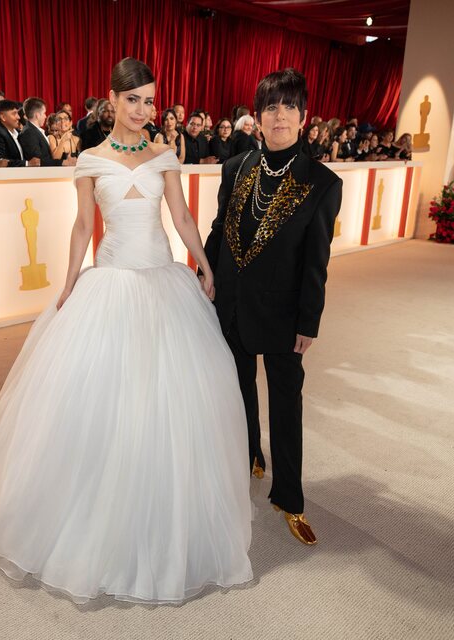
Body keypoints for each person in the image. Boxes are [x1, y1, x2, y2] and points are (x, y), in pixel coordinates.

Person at [0, 57, 253, 604]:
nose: (143, 110)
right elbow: (84, 225)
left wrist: (202, 263)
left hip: (162, 280)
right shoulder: (88, 159)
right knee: (97, 400)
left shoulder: (164, 154)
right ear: (111, 100)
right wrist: (68, 285)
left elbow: (180, 218)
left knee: (173, 399)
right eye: (133, 100)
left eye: (151, 101)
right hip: (109, 280)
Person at [203, 68, 342, 547]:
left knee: (287, 405)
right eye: (270, 107)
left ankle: (290, 497)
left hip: (284, 316)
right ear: (256, 117)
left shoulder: (322, 182)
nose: (279, 115)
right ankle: (248, 458)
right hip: (234, 308)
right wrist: (203, 272)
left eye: (288, 107)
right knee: (238, 390)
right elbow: (221, 231)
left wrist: (309, 321)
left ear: (303, 118)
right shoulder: (235, 167)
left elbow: (315, 261)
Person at [19, 97, 75, 166]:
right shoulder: (29, 133)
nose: (45, 116)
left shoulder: (33, 130)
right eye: (44, 113)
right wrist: (63, 162)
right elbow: (38, 161)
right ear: (37, 115)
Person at [0, 99, 40, 167]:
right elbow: (0, 161)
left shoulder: (18, 132)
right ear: (3, 117)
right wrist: (27, 163)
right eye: (14, 113)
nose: (18, 117)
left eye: (17, 113)